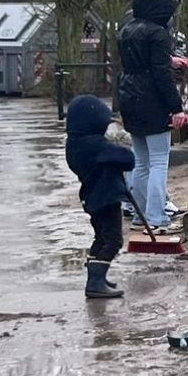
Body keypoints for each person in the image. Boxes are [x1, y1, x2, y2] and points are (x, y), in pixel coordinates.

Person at [116, 0, 188, 230]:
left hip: (128, 96)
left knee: (140, 161)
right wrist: (177, 108)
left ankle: (140, 215)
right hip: (151, 100)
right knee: (159, 161)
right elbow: (160, 75)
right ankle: (157, 217)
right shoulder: (158, 33)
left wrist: (170, 61)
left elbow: (141, 61)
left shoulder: (127, 29)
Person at [65, 94, 136, 300]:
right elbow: (128, 159)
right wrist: (116, 144)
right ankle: (96, 282)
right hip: (106, 198)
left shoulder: (75, 143)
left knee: (101, 238)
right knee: (113, 241)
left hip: (92, 198)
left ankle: (96, 277)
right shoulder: (95, 145)